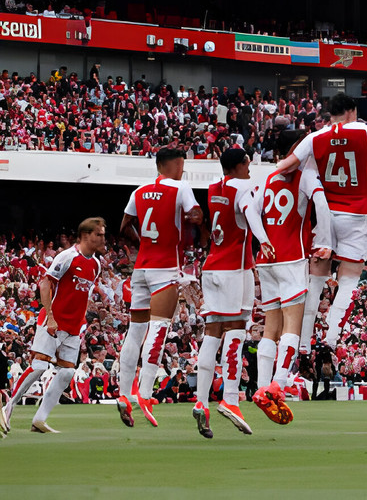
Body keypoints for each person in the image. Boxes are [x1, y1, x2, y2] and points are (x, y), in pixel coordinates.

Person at [267, 93, 367, 372]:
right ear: (350, 111)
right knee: (348, 280)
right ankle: (331, 339)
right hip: (356, 215)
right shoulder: (362, 130)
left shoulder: (314, 138)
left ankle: (304, 343)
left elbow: (285, 165)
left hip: (326, 216)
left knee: (316, 280)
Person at [115, 147, 202, 428]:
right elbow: (197, 215)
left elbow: (124, 225)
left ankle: (124, 394)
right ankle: (145, 393)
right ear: (174, 164)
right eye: (182, 164)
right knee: (159, 328)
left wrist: (143, 243)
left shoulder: (138, 191)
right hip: (164, 268)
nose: (183, 169)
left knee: (135, 329)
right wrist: (188, 223)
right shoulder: (181, 187)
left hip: (141, 267)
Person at [251, 130, 333, 425]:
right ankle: (278, 386)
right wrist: (325, 241)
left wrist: (262, 240)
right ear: (295, 149)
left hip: (266, 261)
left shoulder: (268, 176)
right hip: (291, 259)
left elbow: (251, 211)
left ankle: (261, 389)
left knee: (270, 328)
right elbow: (322, 205)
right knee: (292, 328)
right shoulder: (304, 173)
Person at [1, 217, 107, 435]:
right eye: (99, 234)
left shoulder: (96, 264)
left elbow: (81, 294)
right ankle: (8, 406)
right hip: (53, 321)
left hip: (74, 327)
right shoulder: (67, 257)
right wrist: (50, 316)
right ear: (86, 235)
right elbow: (46, 283)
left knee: (67, 373)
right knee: (39, 366)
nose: (102, 238)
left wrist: (83, 320)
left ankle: (39, 419)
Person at [191, 147, 262, 438]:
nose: (250, 169)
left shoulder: (212, 189)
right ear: (241, 165)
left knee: (212, 333)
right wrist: (265, 239)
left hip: (212, 266)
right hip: (234, 267)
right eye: (248, 164)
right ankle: (231, 399)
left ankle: (200, 401)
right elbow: (249, 214)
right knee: (236, 330)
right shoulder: (244, 187)